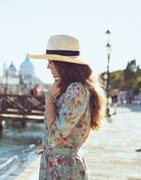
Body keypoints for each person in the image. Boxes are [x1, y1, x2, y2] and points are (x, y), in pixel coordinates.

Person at [28, 35, 106, 179]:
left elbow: (54, 136)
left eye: (50, 62)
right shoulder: (69, 89)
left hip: (63, 168)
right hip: (56, 165)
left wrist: (49, 99)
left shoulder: (77, 90)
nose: (47, 66)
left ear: (62, 64)